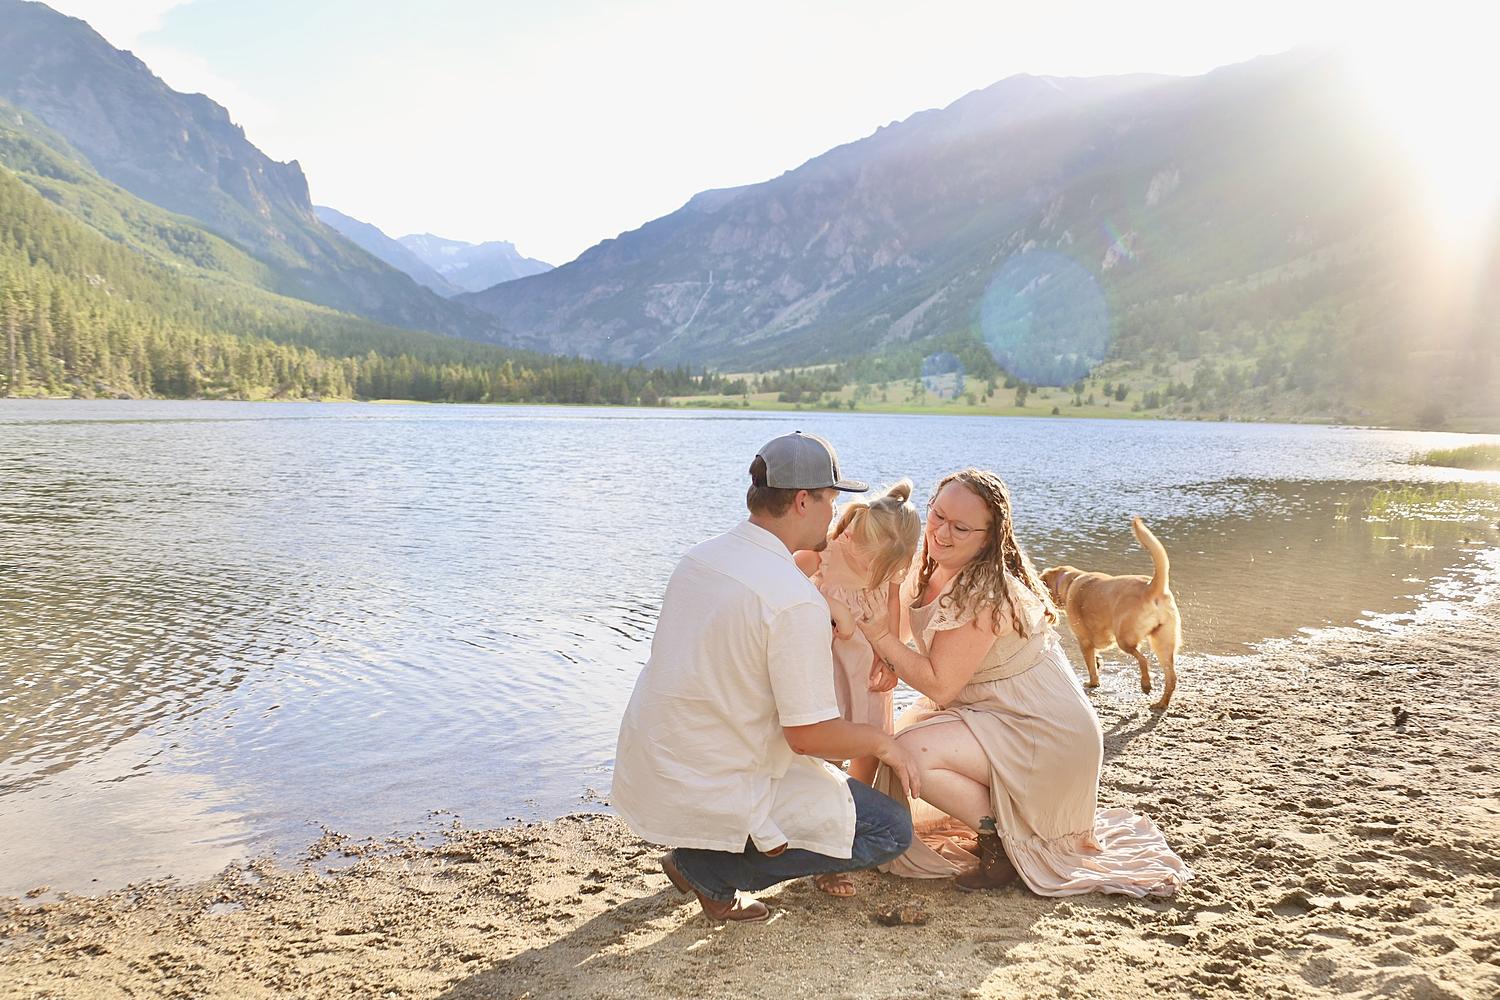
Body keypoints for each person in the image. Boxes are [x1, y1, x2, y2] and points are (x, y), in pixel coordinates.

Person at [612, 431, 920, 923]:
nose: (834, 513)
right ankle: (707, 868)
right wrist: (884, 744)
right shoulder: (794, 597)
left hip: (656, 760)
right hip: (719, 773)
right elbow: (808, 736)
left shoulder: (700, 557)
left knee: (819, 788)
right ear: (803, 501)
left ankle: (714, 848)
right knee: (890, 830)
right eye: (830, 499)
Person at [858, 468, 1191, 896]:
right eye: (937, 515)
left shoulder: (984, 591)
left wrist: (881, 640)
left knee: (908, 752)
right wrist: (879, 635)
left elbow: (939, 685)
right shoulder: (931, 562)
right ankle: (1000, 821)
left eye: (960, 527)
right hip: (993, 710)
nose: (941, 532)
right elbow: (902, 630)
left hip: (1046, 730)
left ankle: (999, 843)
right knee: (895, 741)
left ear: (988, 538)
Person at [792, 479, 920, 897]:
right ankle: (817, 841)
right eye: (853, 532)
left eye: (861, 544)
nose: (849, 539)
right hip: (826, 669)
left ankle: (843, 840)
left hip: (867, 673)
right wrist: (831, 606)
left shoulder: (892, 570)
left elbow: (894, 612)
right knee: (826, 755)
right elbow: (781, 586)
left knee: (867, 752)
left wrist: (891, 660)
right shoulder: (825, 552)